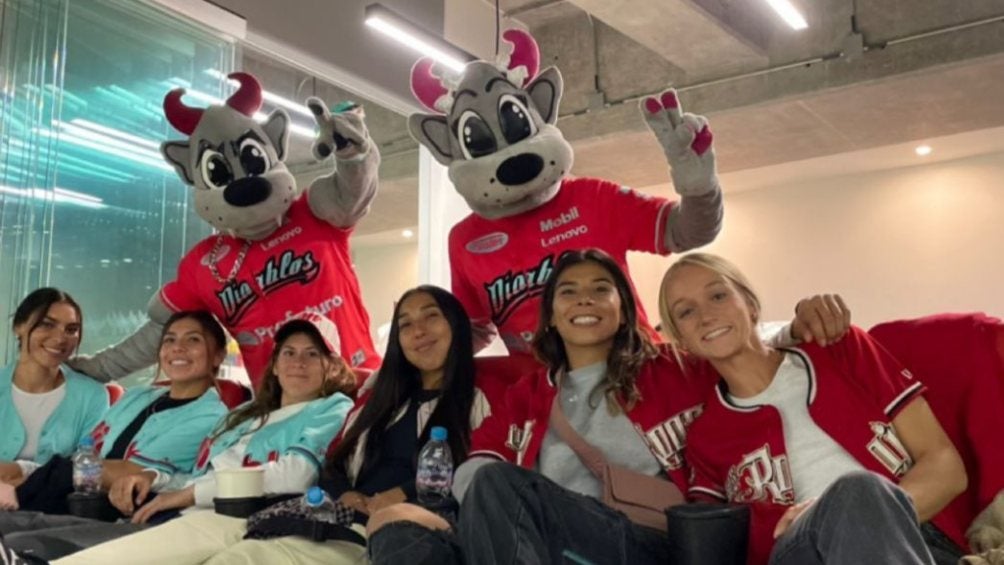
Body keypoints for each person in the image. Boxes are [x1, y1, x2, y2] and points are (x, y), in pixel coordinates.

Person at [363, 248, 849, 565]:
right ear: (551, 317)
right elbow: (479, 464)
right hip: (539, 541)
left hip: (644, 542)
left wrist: (798, 327)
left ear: (623, 309)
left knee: (498, 484)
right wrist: (462, 518)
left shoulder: (673, 368)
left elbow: (740, 349)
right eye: (568, 292)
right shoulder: (528, 395)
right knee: (400, 537)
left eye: (601, 289)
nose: (585, 300)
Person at [659, 252, 968, 565]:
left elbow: (947, 468)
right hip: (803, 553)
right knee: (856, 490)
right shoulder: (705, 438)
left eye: (718, 295)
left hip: (920, 540)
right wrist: (830, 519)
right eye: (686, 312)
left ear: (750, 304)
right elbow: (713, 542)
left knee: (859, 490)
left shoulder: (841, 350)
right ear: (681, 341)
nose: (706, 316)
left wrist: (853, 516)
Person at [167, 285, 492, 564]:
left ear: (456, 323)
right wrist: (346, 494)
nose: (418, 331)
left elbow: (474, 473)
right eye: (405, 324)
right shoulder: (381, 398)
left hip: (410, 528)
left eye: (431, 316)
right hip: (341, 519)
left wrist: (400, 494)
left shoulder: (481, 396)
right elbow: (334, 463)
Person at [46, 315, 354, 565]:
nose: (298, 362)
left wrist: (189, 494)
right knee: (39, 531)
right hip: (178, 511)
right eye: (289, 352)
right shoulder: (244, 414)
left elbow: (296, 475)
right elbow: (201, 475)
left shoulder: (331, 407)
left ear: (332, 366)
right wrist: (155, 478)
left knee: (71, 555)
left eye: (312, 354)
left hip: (231, 518)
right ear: (274, 364)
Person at [0, 311, 228, 532]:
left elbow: (130, 473)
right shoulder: (137, 397)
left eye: (193, 340)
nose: (177, 348)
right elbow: (87, 454)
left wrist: (37, 477)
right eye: (169, 340)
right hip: (73, 494)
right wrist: (22, 471)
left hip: (115, 515)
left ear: (218, 355)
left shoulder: (210, 417)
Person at [0, 288, 107, 504]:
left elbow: (87, 472)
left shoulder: (93, 397)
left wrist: (23, 473)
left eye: (71, 329)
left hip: (52, 509)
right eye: (47, 324)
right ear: (19, 327)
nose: (60, 338)